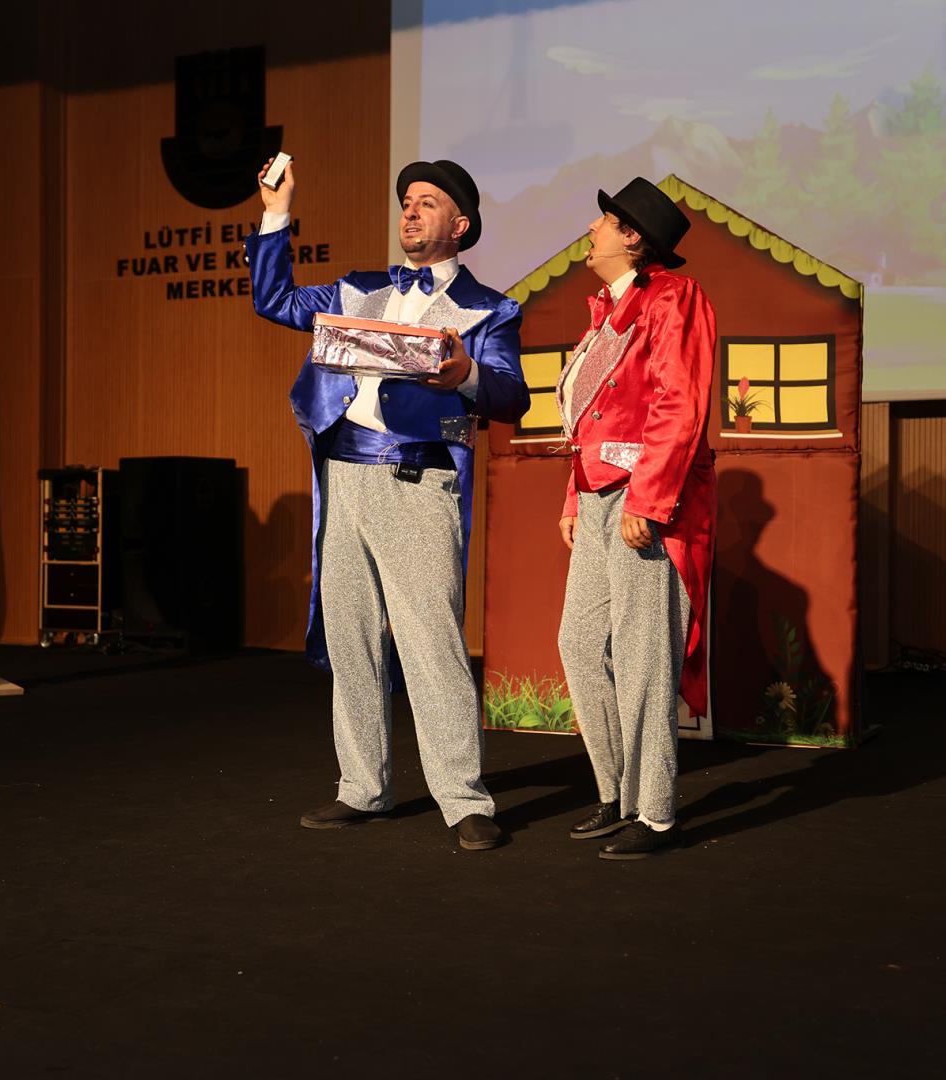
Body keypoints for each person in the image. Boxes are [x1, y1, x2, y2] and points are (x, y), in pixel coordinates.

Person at [245, 156, 528, 851]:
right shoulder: (357, 288)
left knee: (431, 643)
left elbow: (512, 396)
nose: (410, 209)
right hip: (344, 475)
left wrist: (466, 375)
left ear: (460, 225)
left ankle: (463, 798)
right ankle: (362, 787)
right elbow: (274, 300)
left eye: (428, 201)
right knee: (352, 639)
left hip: (418, 479)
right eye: (407, 199)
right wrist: (276, 212)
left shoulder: (491, 308)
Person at [555, 177, 716, 860]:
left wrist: (648, 500)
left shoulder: (674, 298)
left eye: (603, 221)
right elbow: (591, 419)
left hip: (645, 499)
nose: (591, 229)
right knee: (579, 644)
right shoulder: (605, 309)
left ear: (631, 236)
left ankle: (654, 812)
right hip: (598, 494)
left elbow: (679, 404)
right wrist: (575, 497)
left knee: (643, 656)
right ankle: (615, 793)